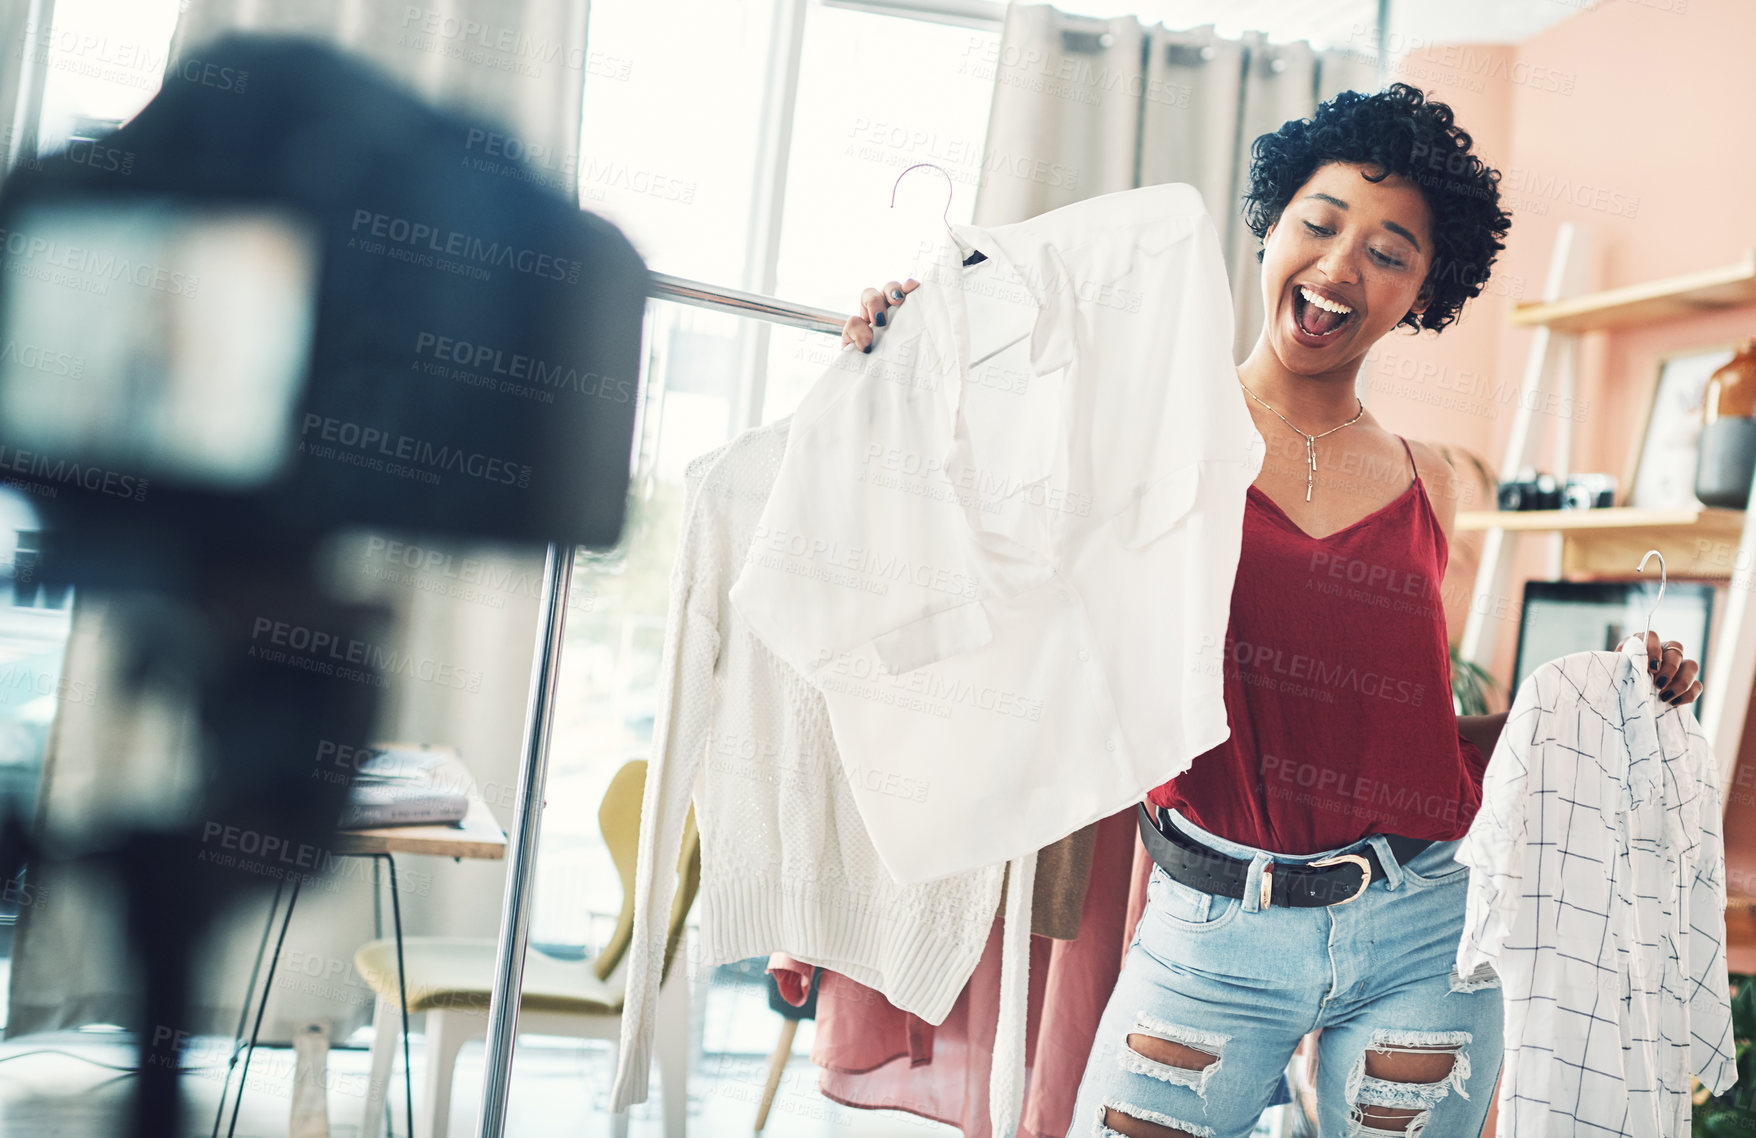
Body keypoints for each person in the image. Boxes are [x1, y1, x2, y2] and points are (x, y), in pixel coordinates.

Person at [837, 83, 1704, 1137]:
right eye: (1321, 222)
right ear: (1272, 225)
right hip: (1211, 935)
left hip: (1422, 931)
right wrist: (898, 365)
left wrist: (1600, 700)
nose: (1342, 267)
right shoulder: (1145, 436)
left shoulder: (1435, 483)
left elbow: (1415, 741)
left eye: (1390, 253)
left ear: (1424, 292)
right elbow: (956, 536)